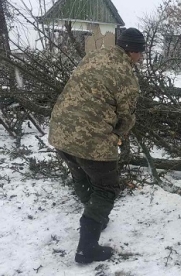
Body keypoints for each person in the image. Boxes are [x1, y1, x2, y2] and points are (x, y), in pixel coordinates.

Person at [48, 27, 144, 264]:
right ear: (133, 51)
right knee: (107, 187)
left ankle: (97, 219)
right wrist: (118, 136)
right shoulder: (126, 76)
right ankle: (87, 248)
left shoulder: (93, 56)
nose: (141, 58)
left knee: (80, 175)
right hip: (91, 139)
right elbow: (126, 116)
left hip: (60, 131)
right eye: (140, 53)